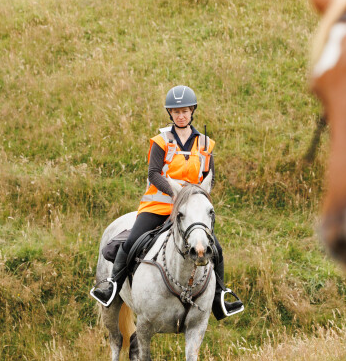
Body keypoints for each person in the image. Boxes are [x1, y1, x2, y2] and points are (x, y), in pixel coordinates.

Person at [92, 85, 244, 319]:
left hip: (190, 212)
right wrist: (175, 194)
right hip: (158, 206)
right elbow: (154, 173)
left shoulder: (205, 144)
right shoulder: (161, 141)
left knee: (216, 249)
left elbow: (208, 178)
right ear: (170, 114)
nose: (181, 116)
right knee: (131, 241)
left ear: (192, 111)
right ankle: (112, 287)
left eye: (185, 111)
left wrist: (196, 199)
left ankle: (220, 298)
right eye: (176, 112)